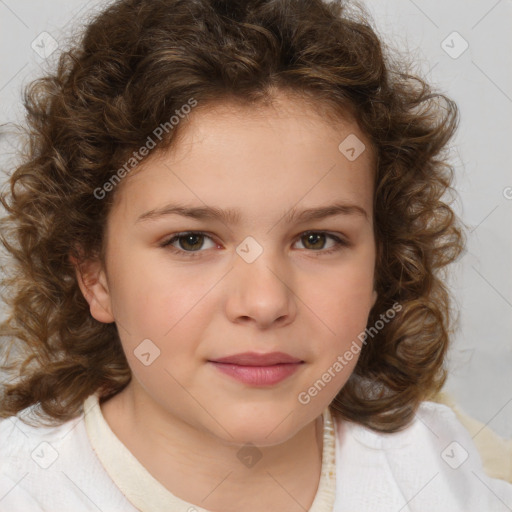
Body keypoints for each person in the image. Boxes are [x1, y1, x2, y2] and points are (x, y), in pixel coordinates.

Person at [0, 0, 511, 510]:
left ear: (382, 262)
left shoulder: (435, 468)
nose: (265, 303)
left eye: (317, 239)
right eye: (191, 241)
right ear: (95, 276)